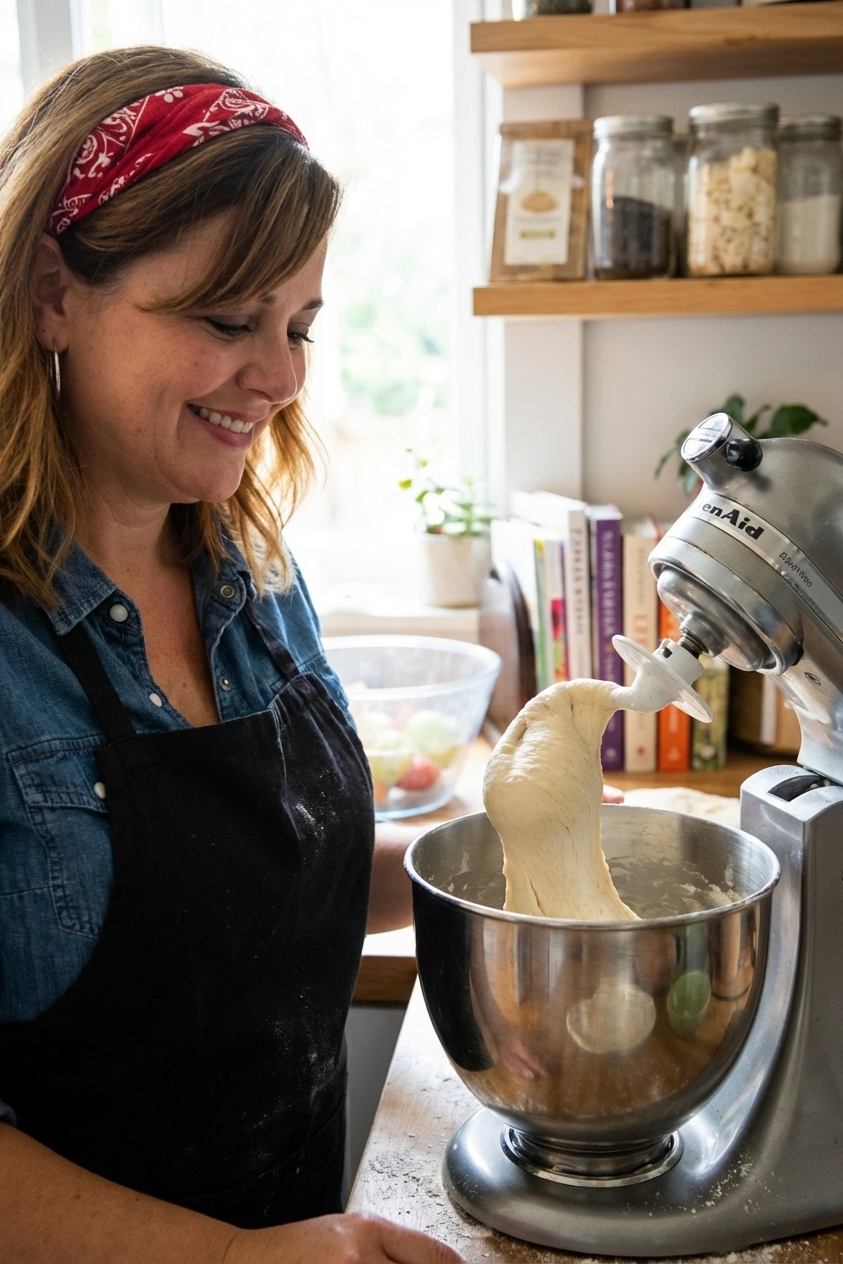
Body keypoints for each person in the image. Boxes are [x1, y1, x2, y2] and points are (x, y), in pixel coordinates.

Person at [0, 44, 462, 1264]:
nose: (280, 377)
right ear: (53, 289)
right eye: (226, 318)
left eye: (301, 325)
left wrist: (489, 850)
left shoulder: (251, 577)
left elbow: (281, 878)